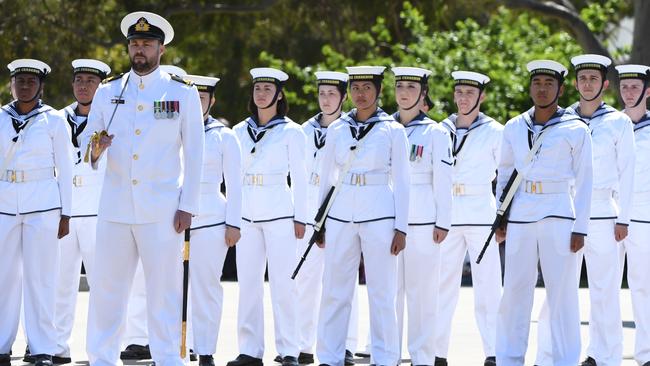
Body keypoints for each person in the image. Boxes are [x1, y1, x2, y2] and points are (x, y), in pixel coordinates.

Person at [84, 11, 204, 366]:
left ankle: (167, 358)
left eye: (147, 44)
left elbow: (195, 153)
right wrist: (96, 149)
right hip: (115, 208)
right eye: (135, 44)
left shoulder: (181, 93)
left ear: (161, 49)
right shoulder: (108, 92)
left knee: (164, 291)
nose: (140, 50)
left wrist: (189, 205)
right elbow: (87, 147)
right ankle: (102, 358)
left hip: (162, 209)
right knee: (107, 291)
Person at [534, 54, 635, 366]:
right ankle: (548, 354)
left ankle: (603, 356)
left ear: (605, 84)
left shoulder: (619, 122)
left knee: (604, 291)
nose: (587, 84)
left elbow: (627, 172)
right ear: (574, 84)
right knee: (557, 288)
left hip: (604, 211)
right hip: (566, 209)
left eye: (593, 79)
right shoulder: (562, 120)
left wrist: (624, 218)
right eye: (582, 79)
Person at [495, 60, 592, 366]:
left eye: (549, 84)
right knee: (514, 292)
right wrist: (501, 216)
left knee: (562, 295)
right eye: (537, 83)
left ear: (561, 89)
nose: (542, 89)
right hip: (521, 214)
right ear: (530, 87)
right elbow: (505, 173)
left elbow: (586, 179)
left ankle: (564, 360)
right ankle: (509, 358)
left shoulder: (576, 128)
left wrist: (581, 227)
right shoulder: (514, 126)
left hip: (559, 215)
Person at [316, 65, 409, 366]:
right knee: (335, 290)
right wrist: (320, 222)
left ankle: (384, 358)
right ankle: (329, 356)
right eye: (355, 88)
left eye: (367, 88)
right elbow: (326, 176)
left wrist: (402, 226)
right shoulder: (337, 128)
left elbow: (403, 180)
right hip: (341, 214)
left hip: (380, 213)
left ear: (379, 91)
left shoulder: (392, 129)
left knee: (381, 292)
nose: (361, 93)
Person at [227, 67, 307, 366]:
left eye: (267, 89)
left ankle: (289, 350)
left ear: (278, 94)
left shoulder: (292, 131)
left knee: (283, 285)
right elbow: (232, 179)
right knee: (248, 284)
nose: (261, 93)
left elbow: (300, 178)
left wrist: (302, 218)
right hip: (247, 214)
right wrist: (232, 219)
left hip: (280, 214)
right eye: (257, 88)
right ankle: (249, 349)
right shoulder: (237, 131)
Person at [0, 59, 73, 366]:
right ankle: (2, 346)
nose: (25, 86)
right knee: (3, 278)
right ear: (11, 84)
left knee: (41, 278)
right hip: (4, 202)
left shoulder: (53, 120)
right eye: (19, 80)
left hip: (43, 205)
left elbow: (66, 168)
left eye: (31, 81)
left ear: (41, 86)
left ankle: (42, 347)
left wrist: (66, 213)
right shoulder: (1, 117)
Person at [436, 71, 503, 366]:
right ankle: (435, 351)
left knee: (488, 286)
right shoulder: (441, 129)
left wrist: (503, 217)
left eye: (470, 93)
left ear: (482, 96)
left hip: (480, 210)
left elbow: (506, 176)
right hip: (447, 211)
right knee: (440, 286)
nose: (464, 98)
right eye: (459, 92)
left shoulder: (495, 131)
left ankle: (494, 350)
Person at [293, 71, 357, 366]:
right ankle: (303, 343)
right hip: (307, 213)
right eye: (322, 94)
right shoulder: (303, 131)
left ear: (344, 97)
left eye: (332, 94)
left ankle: (345, 344)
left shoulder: (351, 129)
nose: (326, 99)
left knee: (341, 280)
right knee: (305, 281)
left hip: (341, 212)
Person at [390, 66, 452, 366]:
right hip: (386, 219)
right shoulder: (383, 127)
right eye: (400, 86)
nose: (404, 92)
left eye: (412, 88)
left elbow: (443, 179)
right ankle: (387, 353)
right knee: (388, 292)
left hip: (423, 220)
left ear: (423, 93)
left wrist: (443, 221)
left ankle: (423, 357)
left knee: (422, 294)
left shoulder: (435, 132)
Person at [54, 59, 111, 365]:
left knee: (102, 285)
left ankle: (98, 350)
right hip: (65, 209)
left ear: (101, 85)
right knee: (60, 282)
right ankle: (56, 346)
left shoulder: (110, 118)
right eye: (79, 80)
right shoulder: (56, 118)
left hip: (98, 210)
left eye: (90, 80)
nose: (83, 86)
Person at [183, 73, 242, 366]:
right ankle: (174, 348)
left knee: (206, 286)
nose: (197, 103)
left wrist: (234, 223)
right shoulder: (172, 130)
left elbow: (234, 184)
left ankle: (205, 348)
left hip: (211, 217)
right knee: (171, 287)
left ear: (212, 101)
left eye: (202, 98)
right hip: (175, 217)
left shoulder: (223, 135)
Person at [616, 63, 650, 366]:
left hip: (643, 216)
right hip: (610, 215)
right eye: (624, 87)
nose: (628, 93)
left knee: (643, 287)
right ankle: (605, 352)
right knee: (606, 286)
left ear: (647, 91)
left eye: (635, 88)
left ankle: (647, 354)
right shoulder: (610, 124)